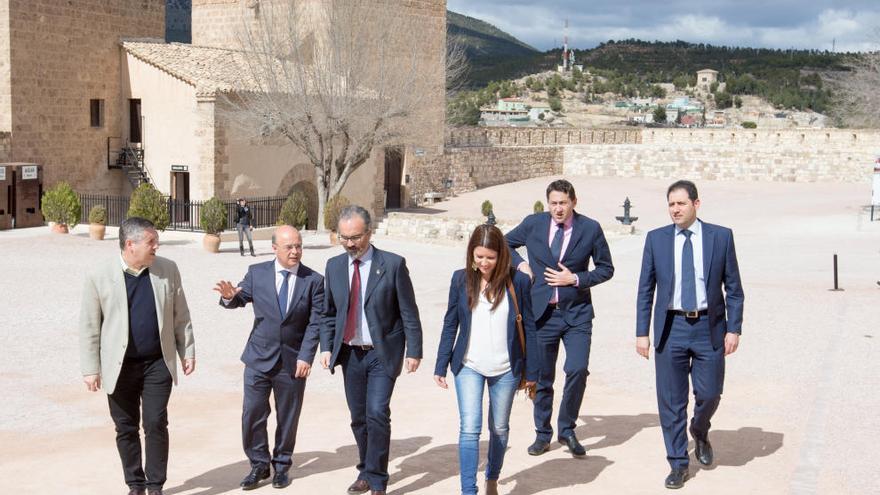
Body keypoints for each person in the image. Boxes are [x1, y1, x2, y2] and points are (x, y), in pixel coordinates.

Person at [635, 180, 744, 489]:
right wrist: (642, 333)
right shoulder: (656, 240)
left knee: (709, 393)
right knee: (671, 400)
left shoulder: (720, 238)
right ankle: (678, 462)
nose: (675, 209)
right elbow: (645, 290)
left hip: (710, 327)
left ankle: (699, 429)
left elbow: (734, 289)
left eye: (681, 203)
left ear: (696, 204)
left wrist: (734, 328)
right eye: (671, 204)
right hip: (672, 327)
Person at [79, 217, 196, 495]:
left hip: (158, 362)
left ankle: (155, 485)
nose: (157, 246)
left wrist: (187, 350)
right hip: (119, 367)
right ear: (130, 245)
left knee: (155, 422)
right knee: (125, 427)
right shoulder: (99, 275)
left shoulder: (167, 269)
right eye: (151, 242)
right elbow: (89, 325)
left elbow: (181, 314)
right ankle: (135, 484)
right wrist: (90, 368)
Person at [506, 178, 614, 457]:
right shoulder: (533, 224)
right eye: (553, 203)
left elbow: (606, 268)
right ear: (548, 203)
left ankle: (567, 429)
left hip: (577, 314)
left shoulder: (590, 228)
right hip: (541, 314)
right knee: (542, 378)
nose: (558, 209)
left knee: (577, 370)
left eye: (563, 203)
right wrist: (522, 265)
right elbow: (504, 244)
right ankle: (543, 433)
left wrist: (575, 278)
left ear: (573, 202)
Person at [319, 205, 423, 495]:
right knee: (359, 417)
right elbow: (329, 313)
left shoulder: (392, 264)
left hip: (382, 352)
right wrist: (326, 346)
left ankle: (377, 479)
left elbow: (409, 313)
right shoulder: (334, 267)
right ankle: (365, 469)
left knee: (377, 412)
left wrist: (414, 350)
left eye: (356, 237)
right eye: (344, 237)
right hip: (350, 353)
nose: (350, 243)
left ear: (369, 232)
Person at [214, 225, 324, 490]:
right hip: (258, 358)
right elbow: (240, 298)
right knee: (252, 413)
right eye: (289, 247)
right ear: (275, 248)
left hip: (293, 361)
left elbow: (316, 322)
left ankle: (282, 466)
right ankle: (259, 464)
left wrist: (306, 356)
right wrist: (230, 297)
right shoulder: (257, 273)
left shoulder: (314, 281)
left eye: (298, 246)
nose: (296, 252)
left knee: (288, 416)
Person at [434, 224, 538, 495]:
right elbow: (450, 324)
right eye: (478, 256)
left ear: (501, 255)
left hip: (506, 368)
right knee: (469, 428)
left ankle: (492, 477)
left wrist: (533, 373)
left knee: (499, 428)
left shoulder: (519, 282)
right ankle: (469, 490)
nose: (483, 262)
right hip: (468, 365)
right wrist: (440, 364)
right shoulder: (460, 279)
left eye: (490, 257)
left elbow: (530, 329)